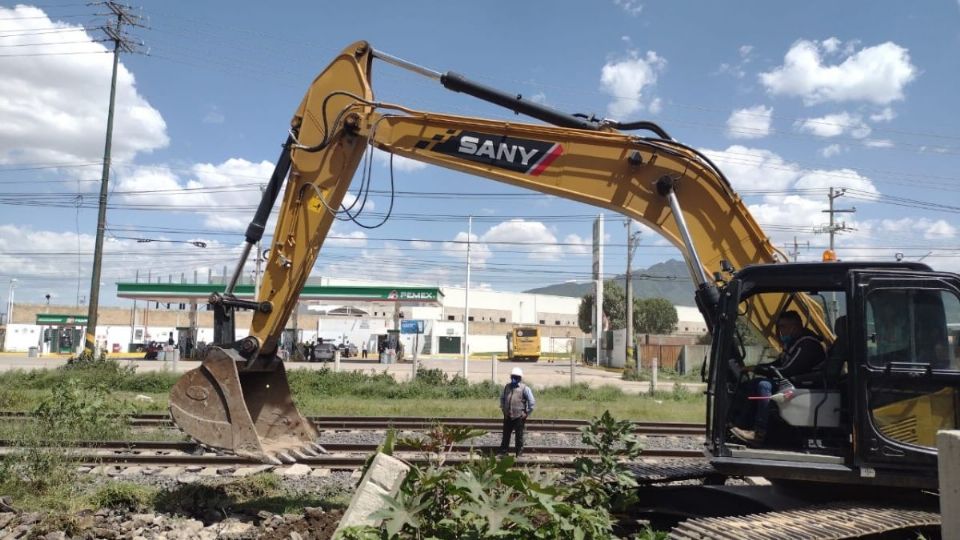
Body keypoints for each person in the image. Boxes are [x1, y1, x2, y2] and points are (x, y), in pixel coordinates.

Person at [731, 310, 826, 444]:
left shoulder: (807, 344)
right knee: (755, 383)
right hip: (795, 382)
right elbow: (779, 363)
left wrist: (759, 369)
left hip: (805, 384)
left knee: (763, 385)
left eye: (783, 326)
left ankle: (759, 432)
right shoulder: (795, 343)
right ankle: (742, 424)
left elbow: (788, 370)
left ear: (794, 326)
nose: (780, 331)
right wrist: (758, 367)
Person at [498, 367, 536, 457]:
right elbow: (502, 398)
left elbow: (532, 402)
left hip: (519, 416)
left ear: (520, 378)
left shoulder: (525, 388)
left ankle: (519, 453)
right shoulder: (507, 387)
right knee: (506, 435)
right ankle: (503, 452)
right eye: (513, 376)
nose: (514, 378)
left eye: (516, 377)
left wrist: (527, 413)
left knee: (519, 436)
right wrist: (503, 409)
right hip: (507, 416)